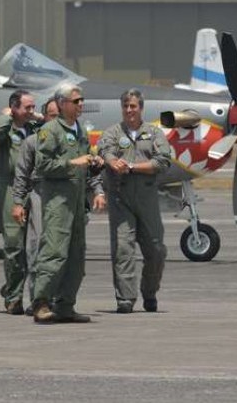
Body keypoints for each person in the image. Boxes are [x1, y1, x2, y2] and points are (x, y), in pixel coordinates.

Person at [31, 84, 105, 324]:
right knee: (54, 253)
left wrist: (94, 164)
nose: (81, 104)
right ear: (62, 104)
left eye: (81, 100)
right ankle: (41, 303)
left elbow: (84, 162)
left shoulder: (80, 130)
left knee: (76, 257)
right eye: (76, 101)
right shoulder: (50, 130)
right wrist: (73, 163)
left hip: (76, 203)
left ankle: (65, 305)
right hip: (58, 203)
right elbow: (43, 166)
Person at [97, 88, 172, 313]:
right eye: (126, 106)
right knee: (123, 248)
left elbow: (163, 161)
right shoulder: (112, 132)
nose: (129, 110)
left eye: (133, 106)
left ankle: (149, 292)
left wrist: (132, 167)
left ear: (141, 108)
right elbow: (104, 150)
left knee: (156, 250)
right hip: (121, 197)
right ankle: (125, 298)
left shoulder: (154, 133)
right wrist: (112, 161)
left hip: (147, 198)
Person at [0, 90, 37, 315]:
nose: (31, 111)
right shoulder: (4, 132)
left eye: (33, 107)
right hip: (10, 189)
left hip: (32, 189)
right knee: (14, 245)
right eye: (27, 108)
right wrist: (7, 116)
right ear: (14, 107)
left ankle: (11, 288)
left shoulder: (32, 130)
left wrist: (37, 118)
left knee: (34, 247)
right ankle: (14, 297)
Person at [10, 97, 60, 315]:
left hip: (64, 195)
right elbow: (21, 175)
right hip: (40, 192)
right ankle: (37, 299)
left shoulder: (71, 140)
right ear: (44, 117)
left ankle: (60, 299)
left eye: (59, 115)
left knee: (62, 248)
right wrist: (18, 202)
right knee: (37, 245)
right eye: (51, 115)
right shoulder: (32, 142)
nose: (55, 120)